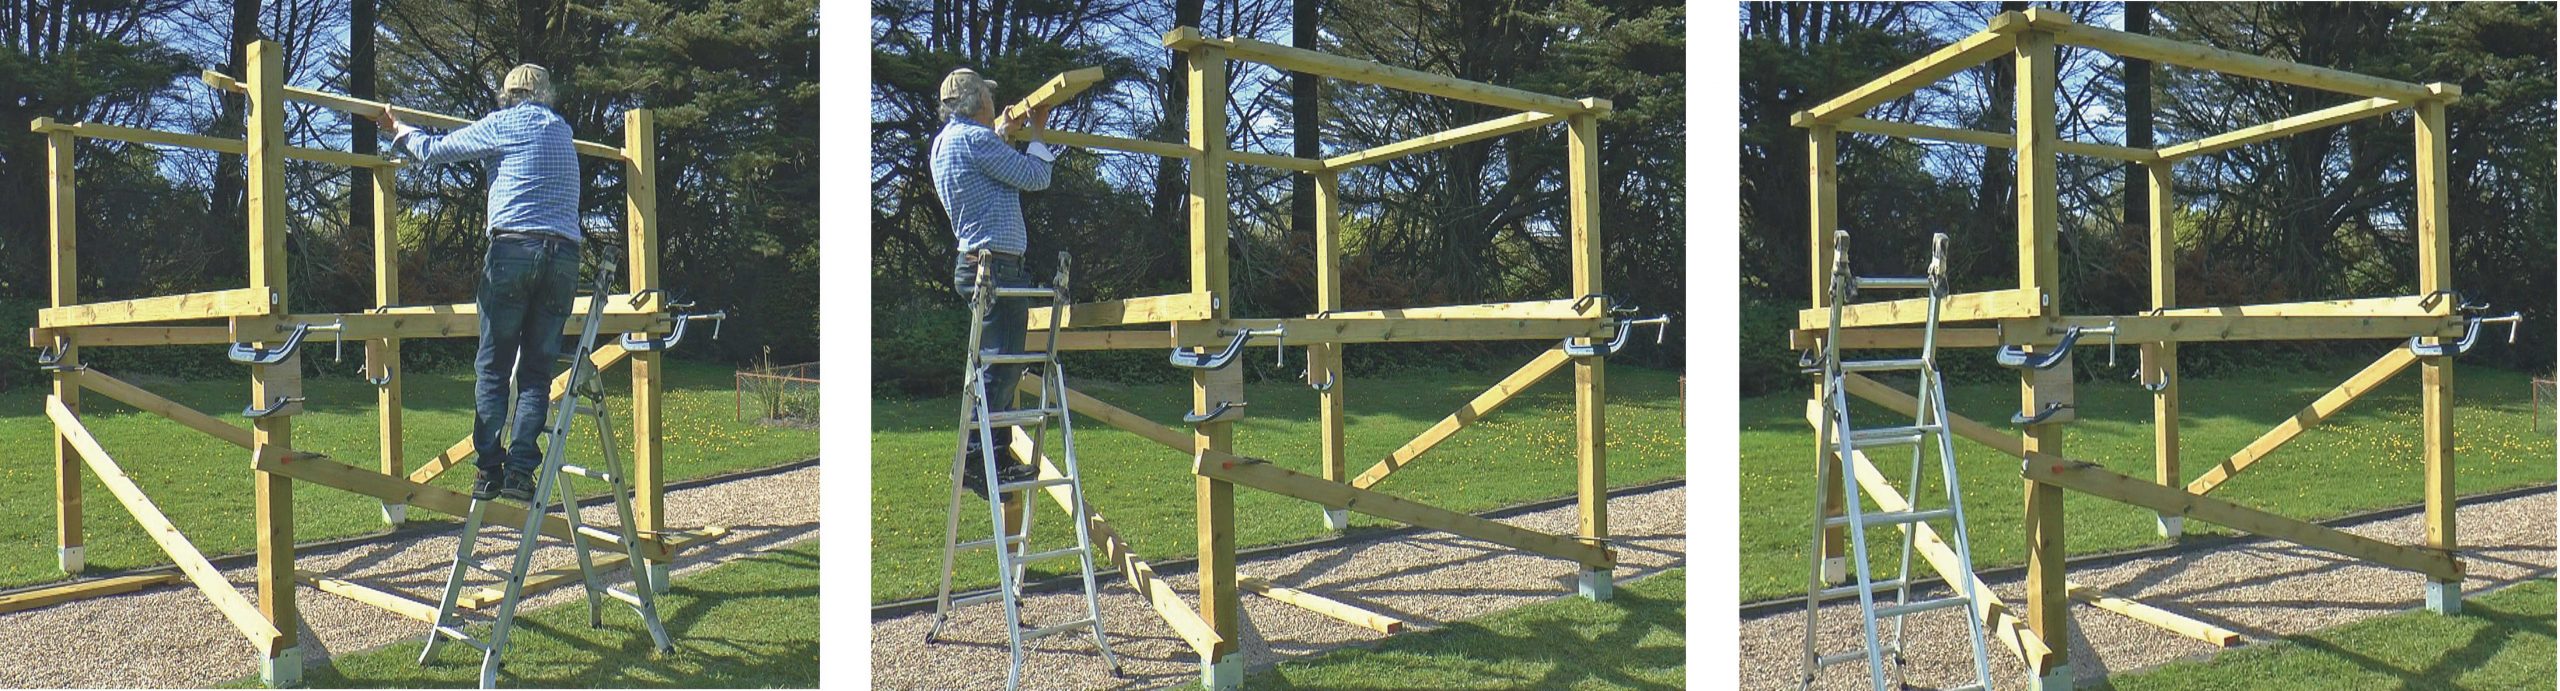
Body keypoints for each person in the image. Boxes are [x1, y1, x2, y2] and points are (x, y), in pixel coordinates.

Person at [376, 64, 583, 502]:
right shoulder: (562, 131)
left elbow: (434, 151)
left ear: (507, 95)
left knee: (493, 365)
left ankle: (489, 469)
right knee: (535, 373)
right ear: (545, 94)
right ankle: (521, 471)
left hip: (514, 252)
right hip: (563, 257)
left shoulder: (504, 123)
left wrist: (398, 130)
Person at [930, 67, 1063, 528]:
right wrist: (1040, 133)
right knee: (1002, 367)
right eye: (987, 96)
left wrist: (1005, 130)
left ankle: (988, 455)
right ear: (977, 104)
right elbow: (1035, 176)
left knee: (995, 364)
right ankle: (981, 459)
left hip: (974, 264)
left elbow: (988, 160)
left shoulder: (946, 142)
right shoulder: (977, 140)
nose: (993, 100)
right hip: (996, 267)